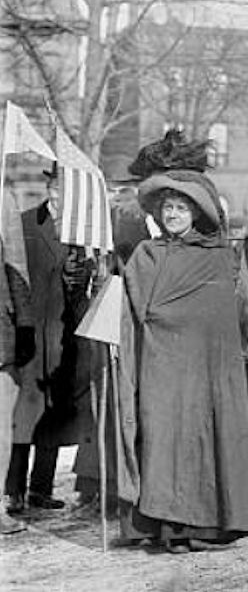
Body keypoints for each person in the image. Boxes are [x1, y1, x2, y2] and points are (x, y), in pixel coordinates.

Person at [121, 167, 248, 553]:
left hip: (207, 371)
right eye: (167, 208)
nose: (173, 215)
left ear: (196, 213)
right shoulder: (147, 254)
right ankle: (167, 529)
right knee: (163, 440)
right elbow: (129, 306)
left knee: (203, 440)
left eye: (181, 208)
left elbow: (227, 315)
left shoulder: (218, 257)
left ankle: (207, 527)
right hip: (161, 367)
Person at [7, 168, 96, 514]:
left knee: (55, 416)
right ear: (48, 188)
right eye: (56, 189)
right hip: (29, 337)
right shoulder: (25, 223)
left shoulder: (83, 232)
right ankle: (12, 489)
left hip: (64, 339)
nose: (60, 198)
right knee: (23, 416)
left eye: (67, 192)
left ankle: (40, 489)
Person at [0, 205, 35, 534]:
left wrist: (25, 326)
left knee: (0, 430)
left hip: (1, 341)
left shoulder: (3, 201)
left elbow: (18, 270)